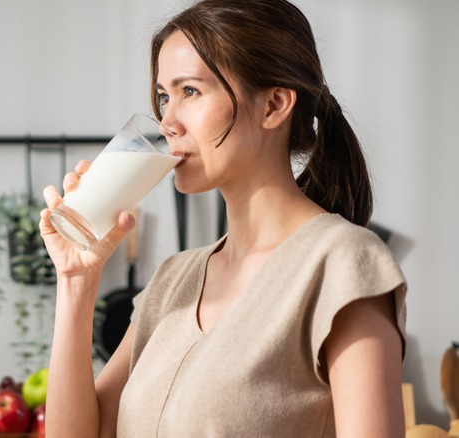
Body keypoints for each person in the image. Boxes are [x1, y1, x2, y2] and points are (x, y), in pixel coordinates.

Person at [38, 0, 407, 437]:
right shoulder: (172, 280)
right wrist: (76, 282)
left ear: (272, 105)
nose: (166, 122)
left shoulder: (342, 264)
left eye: (189, 91)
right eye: (162, 97)